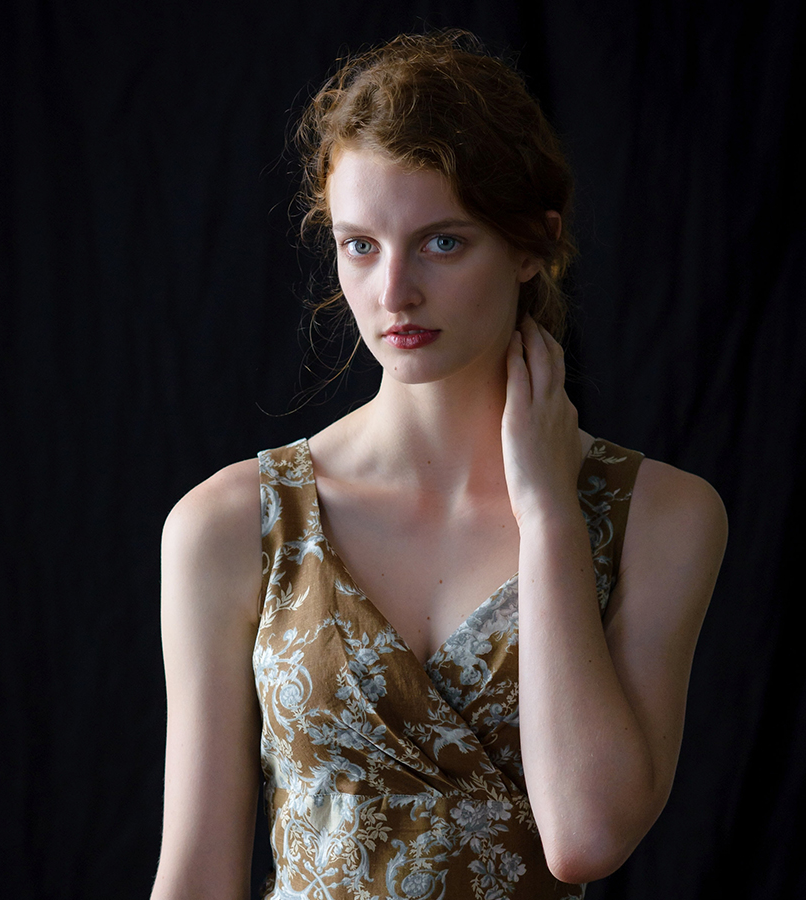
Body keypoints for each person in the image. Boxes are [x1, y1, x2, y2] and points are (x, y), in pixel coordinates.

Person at [150, 31, 727, 900]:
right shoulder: (235, 523)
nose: (394, 294)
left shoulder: (662, 514)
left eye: (443, 243)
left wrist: (548, 515)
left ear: (533, 243)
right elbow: (195, 877)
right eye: (360, 245)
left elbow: (587, 834)